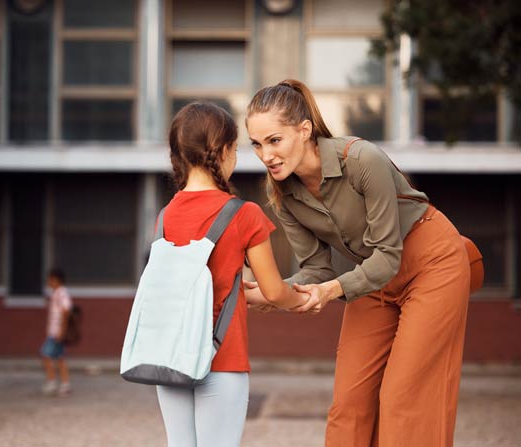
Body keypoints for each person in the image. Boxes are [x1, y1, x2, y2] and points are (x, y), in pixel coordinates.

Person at [243, 79, 470, 446]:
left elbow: (385, 256)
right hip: (372, 277)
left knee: (403, 396)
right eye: (256, 144)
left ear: (304, 131)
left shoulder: (362, 160)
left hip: (432, 264)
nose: (265, 155)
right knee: (348, 403)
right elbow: (317, 270)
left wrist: (329, 291)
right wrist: (273, 293)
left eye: (274, 140)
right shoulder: (284, 196)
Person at [156, 102, 308, 447]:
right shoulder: (243, 214)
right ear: (224, 151)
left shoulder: (165, 216)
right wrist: (304, 298)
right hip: (221, 358)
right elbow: (273, 290)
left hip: (170, 356)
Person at [41, 268, 73, 396]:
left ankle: (52, 381)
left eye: (50, 279)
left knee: (46, 354)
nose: (48, 282)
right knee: (60, 358)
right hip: (55, 331)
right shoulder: (56, 293)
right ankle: (65, 384)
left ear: (56, 279)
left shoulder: (61, 293)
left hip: (56, 332)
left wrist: (62, 330)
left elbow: (66, 310)